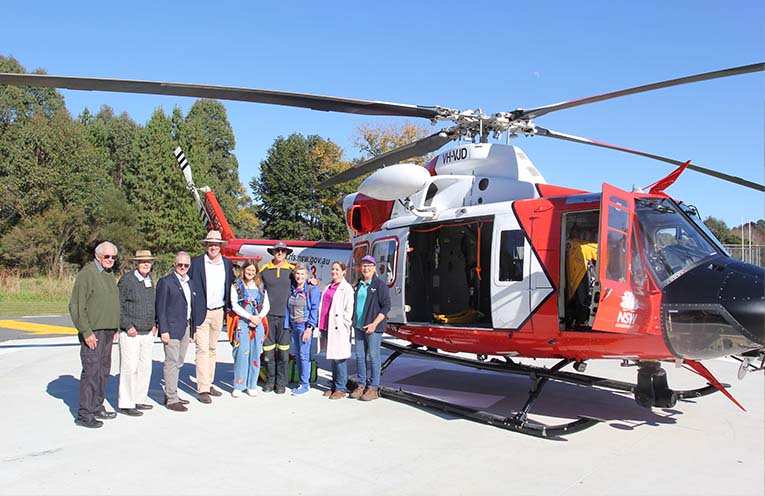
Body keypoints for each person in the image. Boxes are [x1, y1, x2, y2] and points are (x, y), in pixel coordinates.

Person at [69, 241, 120, 428]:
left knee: (103, 371)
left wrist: (115, 328)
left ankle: (97, 405)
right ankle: (85, 414)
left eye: (113, 257)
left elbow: (110, 302)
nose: (110, 259)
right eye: (107, 256)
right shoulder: (87, 274)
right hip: (93, 332)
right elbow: (76, 306)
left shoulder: (108, 274)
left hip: (108, 331)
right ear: (97, 256)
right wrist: (86, 332)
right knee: (91, 371)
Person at [188, 230, 235, 404]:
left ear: (220, 246)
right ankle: (202, 388)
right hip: (202, 311)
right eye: (210, 244)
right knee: (202, 349)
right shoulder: (196, 263)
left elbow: (233, 284)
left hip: (219, 311)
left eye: (216, 244)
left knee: (212, 349)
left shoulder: (227, 264)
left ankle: (209, 382)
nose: (213, 247)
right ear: (206, 246)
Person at [116, 250, 157, 417]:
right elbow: (117, 305)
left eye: (148, 261)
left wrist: (154, 323)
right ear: (136, 263)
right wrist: (126, 325)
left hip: (147, 331)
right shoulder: (127, 280)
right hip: (131, 333)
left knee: (144, 367)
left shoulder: (149, 280)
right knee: (129, 368)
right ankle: (126, 403)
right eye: (142, 261)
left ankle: (139, 398)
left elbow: (151, 304)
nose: (146, 264)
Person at [156, 252, 198, 412]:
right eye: (180, 264)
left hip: (185, 327)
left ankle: (171, 392)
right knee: (171, 362)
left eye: (186, 265)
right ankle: (172, 398)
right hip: (171, 328)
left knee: (179, 362)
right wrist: (163, 329)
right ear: (174, 264)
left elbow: (191, 308)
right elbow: (160, 307)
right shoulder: (166, 282)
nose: (183, 267)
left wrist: (193, 329)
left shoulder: (190, 283)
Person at [350, 255, 391, 401]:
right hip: (359, 326)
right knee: (360, 356)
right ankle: (361, 384)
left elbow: (386, 306)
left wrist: (374, 324)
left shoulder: (380, 285)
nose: (366, 268)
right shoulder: (359, 284)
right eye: (364, 265)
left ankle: (374, 387)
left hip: (373, 327)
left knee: (374, 356)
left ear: (374, 268)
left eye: (369, 266)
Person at [259, 241, 295, 394]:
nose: (280, 253)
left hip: (285, 318)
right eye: (277, 250)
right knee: (268, 352)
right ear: (272, 253)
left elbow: (303, 283)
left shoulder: (292, 270)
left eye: (283, 251)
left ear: (286, 253)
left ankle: (281, 383)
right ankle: (269, 381)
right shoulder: (264, 270)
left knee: (283, 352)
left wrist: (314, 281)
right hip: (268, 316)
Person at [229, 260, 270, 397]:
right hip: (242, 322)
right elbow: (234, 305)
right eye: (248, 269)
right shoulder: (236, 285)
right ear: (243, 270)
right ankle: (239, 385)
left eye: (253, 270)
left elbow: (266, 305)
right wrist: (249, 317)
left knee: (256, 353)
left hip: (258, 322)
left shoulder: (261, 286)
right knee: (241, 352)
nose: (250, 272)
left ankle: (252, 385)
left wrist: (258, 318)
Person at [315, 261, 354, 399]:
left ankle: (341, 388)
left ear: (343, 271)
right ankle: (334, 386)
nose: (334, 272)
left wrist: (345, 323)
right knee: (332, 356)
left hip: (338, 327)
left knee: (340, 358)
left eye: (337, 269)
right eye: (333, 269)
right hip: (327, 325)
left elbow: (349, 309)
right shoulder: (328, 286)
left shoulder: (346, 288)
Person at [284, 262, 320, 396]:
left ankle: (305, 384)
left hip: (304, 325)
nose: (299, 276)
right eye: (297, 273)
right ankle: (301, 380)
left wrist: (309, 328)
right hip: (293, 326)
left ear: (307, 275)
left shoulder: (311, 289)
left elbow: (315, 309)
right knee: (297, 354)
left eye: (302, 274)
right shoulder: (292, 289)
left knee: (304, 355)